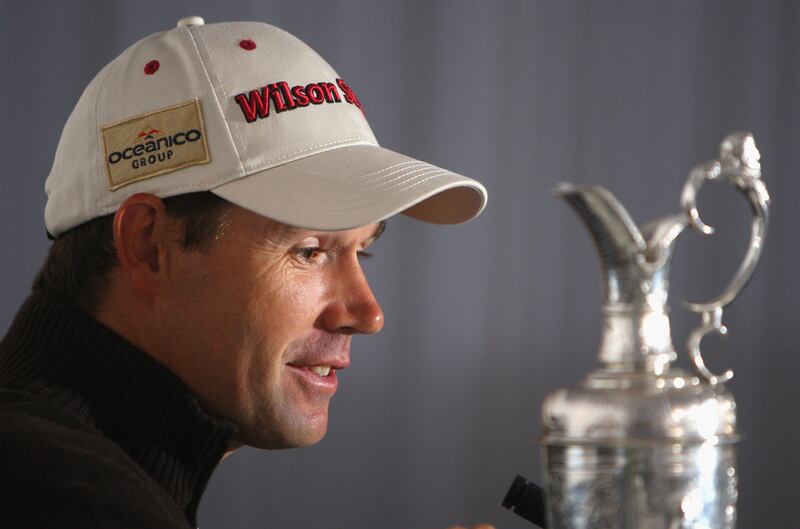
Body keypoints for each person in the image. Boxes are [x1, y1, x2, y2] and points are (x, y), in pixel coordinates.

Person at [0, 16, 492, 529]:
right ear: (149, 245)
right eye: (309, 251)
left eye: (361, 251)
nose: (367, 315)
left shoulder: (70, 471)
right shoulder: (58, 494)